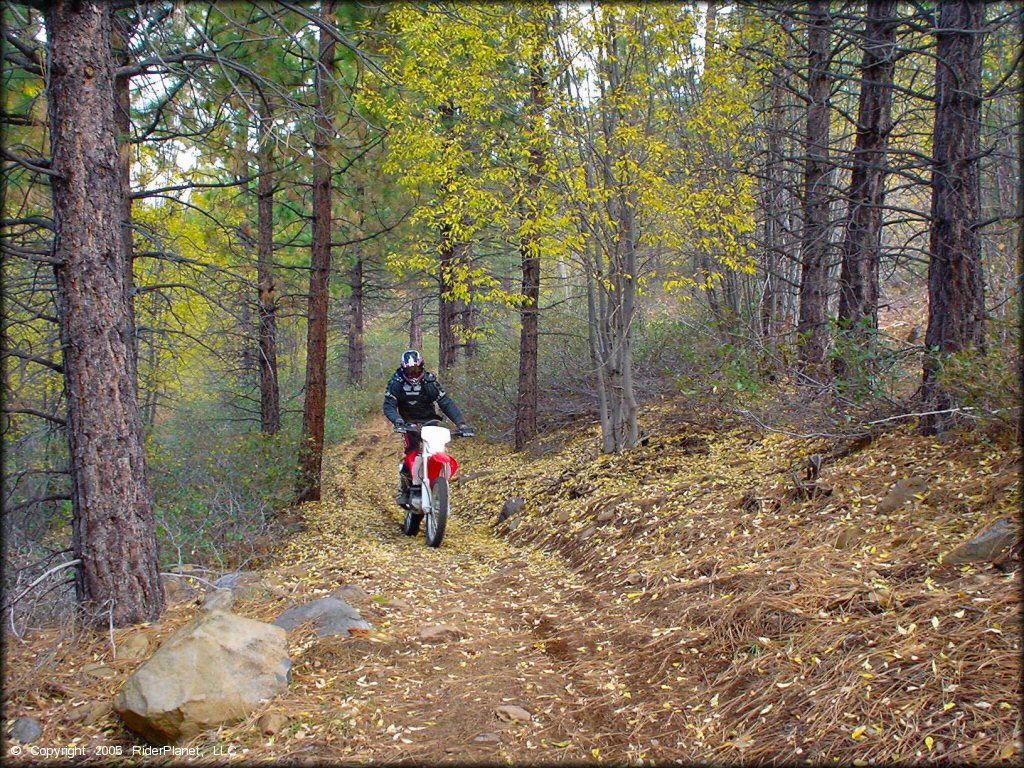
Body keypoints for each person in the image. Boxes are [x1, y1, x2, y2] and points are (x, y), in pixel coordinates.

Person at [383, 350, 474, 507]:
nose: (413, 374)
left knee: (438, 450)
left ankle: (438, 483)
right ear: (403, 369)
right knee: (412, 452)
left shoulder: (429, 382)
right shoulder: (396, 383)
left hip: (430, 422)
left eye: (416, 370)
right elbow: (389, 405)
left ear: (421, 367)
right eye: (409, 371)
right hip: (407, 424)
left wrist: (461, 424)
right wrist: (397, 421)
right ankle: (406, 490)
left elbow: (446, 403)